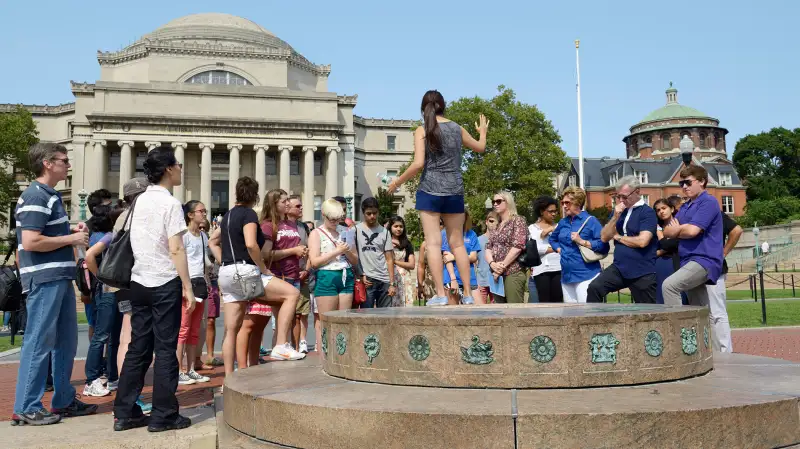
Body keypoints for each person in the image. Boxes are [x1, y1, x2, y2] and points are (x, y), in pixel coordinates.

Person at [12, 143, 96, 426]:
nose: (68, 165)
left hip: (58, 278)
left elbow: (40, 233)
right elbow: (30, 241)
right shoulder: (36, 195)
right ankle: (26, 405)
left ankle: (63, 399)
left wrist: (69, 229)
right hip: (45, 279)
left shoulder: (48, 196)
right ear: (48, 163)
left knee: (65, 343)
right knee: (38, 342)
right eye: (64, 160)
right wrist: (71, 239)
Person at [113, 145, 195, 432]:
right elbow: (176, 248)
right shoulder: (170, 203)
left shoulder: (139, 201)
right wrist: (187, 286)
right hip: (163, 282)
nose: (181, 169)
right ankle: (164, 414)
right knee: (165, 349)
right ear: (169, 169)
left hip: (139, 281)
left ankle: (125, 412)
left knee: (138, 348)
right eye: (178, 165)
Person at [388, 90, 488, 306]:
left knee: (433, 244)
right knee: (458, 244)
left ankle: (441, 295)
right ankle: (469, 295)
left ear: (423, 108)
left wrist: (397, 182)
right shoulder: (457, 128)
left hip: (430, 191)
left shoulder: (423, 130)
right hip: (454, 190)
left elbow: (418, 164)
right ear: (444, 105)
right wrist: (482, 132)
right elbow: (480, 148)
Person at [208, 178, 304, 378]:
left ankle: (229, 377)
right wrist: (262, 269)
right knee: (291, 294)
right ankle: (280, 344)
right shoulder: (249, 214)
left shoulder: (227, 215)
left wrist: (224, 261)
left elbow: (212, 241)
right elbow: (252, 245)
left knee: (232, 328)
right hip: (246, 271)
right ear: (254, 195)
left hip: (227, 272)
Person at [587, 176, 658, 304]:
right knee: (594, 288)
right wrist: (614, 217)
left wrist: (617, 236)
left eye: (624, 196)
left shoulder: (647, 212)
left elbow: (643, 241)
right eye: (618, 196)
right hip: (619, 268)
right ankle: (596, 322)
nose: (621, 200)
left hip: (642, 271)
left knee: (647, 312)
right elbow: (604, 236)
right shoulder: (620, 211)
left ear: (637, 191)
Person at [662, 165, 724, 308]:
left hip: (704, 260)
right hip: (688, 260)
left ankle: (675, 329)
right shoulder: (685, 206)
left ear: (702, 181)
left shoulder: (708, 201)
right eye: (681, 183)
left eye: (688, 182)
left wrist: (677, 230)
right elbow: (667, 231)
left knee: (669, 286)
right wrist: (679, 230)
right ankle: (703, 331)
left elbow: (692, 232)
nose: (684, 187)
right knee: (699, 309)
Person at [82, 204, 125, 397]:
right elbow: (89, 256)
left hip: (117, 291)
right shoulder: (110, 236)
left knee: (116, 335)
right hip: (108, 290)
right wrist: (100, 277)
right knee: (102, 335)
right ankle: (92, 379)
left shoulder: (118, 236)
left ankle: (113, 377)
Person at [549, 187, 609, 303]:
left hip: (586, 275)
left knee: (586, 314)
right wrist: (559, 249)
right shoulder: (563, 222)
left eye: (567, 203)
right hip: (566, 276)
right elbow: (553, 239)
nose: (564, 206)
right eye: (563, 203)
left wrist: (582, 241)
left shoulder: (591, 221)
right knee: (570, 316)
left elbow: (604, 246)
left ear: (577, 203)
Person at [308, 199, 358, 334]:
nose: (335, 222)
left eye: (338, 219)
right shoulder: (316, 233)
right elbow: (314, 262)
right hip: (326, 276)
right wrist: (336, 251)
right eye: (332, 219)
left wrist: (346, 251)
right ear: (323, 215)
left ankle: (342, 354)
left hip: (345, 275)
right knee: (328, 323)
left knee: (343, 321)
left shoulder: (346, 231)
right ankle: (326, 354)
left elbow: (355, 260)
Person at [176, 201, 211, 385]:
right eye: (201, 211)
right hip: (186, 284)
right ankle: (179, 370)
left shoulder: (203, 236)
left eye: (205, 211)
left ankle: (190, 369)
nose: (204, 214)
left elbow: (202, 262)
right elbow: (178, 260)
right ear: (190, 215)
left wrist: (206, 280)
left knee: (195, 330)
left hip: (199, 284)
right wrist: (183, 286)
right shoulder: (184, 236)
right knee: (183, 329)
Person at [705, 211, 741, 352]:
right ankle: (714, 351)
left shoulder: (714, 212)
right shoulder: (688, 211)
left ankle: (726, 351)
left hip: (714, 268)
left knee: (717, 312)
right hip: (695, 267)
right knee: (707, 313)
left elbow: (737, 230)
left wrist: (723, 252)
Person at [485, 191, 529, 304]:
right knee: (500, 312)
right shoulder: (497, 224)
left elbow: (518, 246)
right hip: (496, 274)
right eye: (494, 201)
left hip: (513, 272)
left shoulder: (517, 220)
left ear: (508, 202)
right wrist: (492, 264)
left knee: (514, 313)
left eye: (498, 201)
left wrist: (502, 266)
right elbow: (488, 247)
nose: (495, 204)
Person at [355, 198, 396, 308]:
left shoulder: (385, 232)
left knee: (385, 316)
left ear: (378, 212)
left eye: (374, 213)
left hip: (384, 279)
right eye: (369, 213)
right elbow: (354, 255)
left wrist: (392, 283)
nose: (372, 216)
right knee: (366, 316)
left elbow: (389, 259)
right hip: (367, 279)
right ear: (363, 213)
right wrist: (361, 274)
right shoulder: (356, 230)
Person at [286, 195, 312, 352]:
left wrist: (307, 270)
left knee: (300, 312)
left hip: (302, 275)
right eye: (298, 206)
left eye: (301, 206)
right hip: (285, 276)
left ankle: (299, 344)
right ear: (288, 208)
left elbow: (310, 251)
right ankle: (286, 344)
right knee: (288, 314)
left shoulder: (303, 227)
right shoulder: (281, 226)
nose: (301, 208)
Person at [442, 210, 480, 305]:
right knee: (453, 313)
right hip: (451, 277)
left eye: (462, 216)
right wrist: (453, 279)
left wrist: (454, 257)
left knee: (471, 314)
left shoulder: (471, 234)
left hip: (469, 279)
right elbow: (447, 258)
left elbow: (473, 257)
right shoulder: (445, 233)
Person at [529, 197, 562, 303]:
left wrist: (552, 229)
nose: (554, 214)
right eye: (551, 211)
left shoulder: (559, 227)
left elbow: (565, 245)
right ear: (542, 211)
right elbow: (533, 249)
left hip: (559, 268)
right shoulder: (532, 229)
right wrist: (555, 248)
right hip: (541, 270)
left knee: (558, 302)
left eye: (556, 211)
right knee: (544, 303)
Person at [653, 199, 680, 305]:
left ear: (672, 209)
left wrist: (661, 251)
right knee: (660, 298)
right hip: (659, 266)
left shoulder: (679, 224)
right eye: (658, 210)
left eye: (664, 208)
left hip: (675, 263)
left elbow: (674, 245)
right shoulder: (655, 227)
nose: (661, 212)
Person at [387, 216, 417, 307]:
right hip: (390, 276)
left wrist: (394, 261)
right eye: (396, 226)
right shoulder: (385, 242)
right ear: (390, 227)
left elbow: (411, 265)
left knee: (405, 303)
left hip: (404, 278)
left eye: (401, 226)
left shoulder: (407, 244)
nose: (399, 229)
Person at [476, 212, 499, 303]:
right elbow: (474, 261)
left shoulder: (500, 240)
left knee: (497, 311)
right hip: (481, 280)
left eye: (496, 222)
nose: (493, 224)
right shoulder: (478, 240)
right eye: (491, 221)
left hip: (496, 280)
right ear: (486, 222)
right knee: (480, 311)